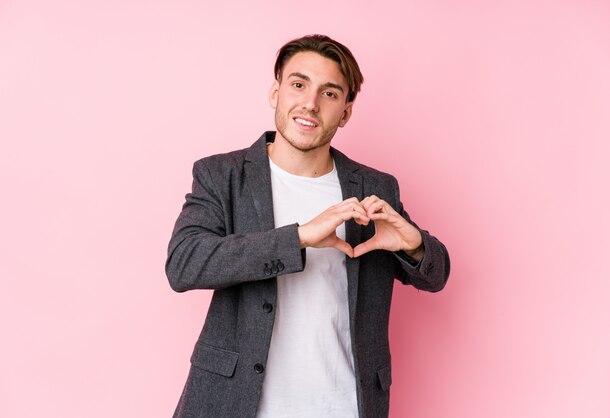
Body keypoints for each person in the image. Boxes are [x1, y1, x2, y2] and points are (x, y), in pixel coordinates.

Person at [166, 34, 450, 418]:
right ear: (276, 92)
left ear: (346, 112)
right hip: (237, 404)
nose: (310, 104)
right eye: (299, 85)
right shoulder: (223, 175)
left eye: (330, 94)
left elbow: (435, 276)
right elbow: (184, 263)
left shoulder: (374, 187)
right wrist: (298, 237)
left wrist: (415, 247)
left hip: (344, 405)